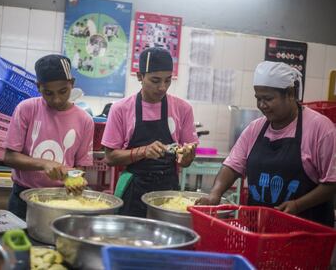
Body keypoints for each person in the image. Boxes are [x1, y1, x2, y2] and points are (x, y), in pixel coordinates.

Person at [198, 61, 336, 227]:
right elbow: (232, 165)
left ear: (290, 94)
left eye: (268, 99)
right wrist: (215, 193)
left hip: (305, 233)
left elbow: (331, 183)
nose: (262, 105)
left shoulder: (320, 128)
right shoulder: (255, 128)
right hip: (259, 230)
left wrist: (298, 205)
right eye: (258, 98)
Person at [102, 47, 199, 217]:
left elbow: (185, 160)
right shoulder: (121, 109)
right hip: (133, 189)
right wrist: (143, 152)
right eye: (155, 80)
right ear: (140, 76)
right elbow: (110, 158)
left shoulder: (183, 109)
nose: (162, 87)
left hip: (168, 192)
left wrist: (187, 158)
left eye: (168, 80)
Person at [4, 54, 94, 219]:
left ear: (72, 84)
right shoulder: (26, 109)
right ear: (38, 87)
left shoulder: (84, 120)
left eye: (63, 91)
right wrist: (44, 164)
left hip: (63, 198)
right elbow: (9, 157)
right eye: (48, 93)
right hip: (23, 197)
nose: (57, 99)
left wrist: (75, 179)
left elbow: (81, 166)